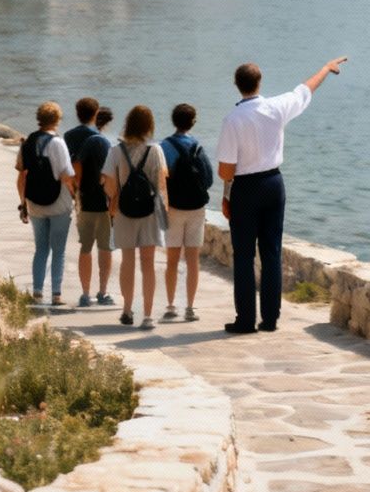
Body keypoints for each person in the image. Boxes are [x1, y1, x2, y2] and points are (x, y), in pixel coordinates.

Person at [217, 56, 347, 335]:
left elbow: (226, 170)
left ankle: (245, 320)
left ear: (236, 86)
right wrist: (325, 68)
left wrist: (226, 196)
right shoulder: (277, 107)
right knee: (272, 252)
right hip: (274, 184)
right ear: (259, 82)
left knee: (243, 255)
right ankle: (271, 318)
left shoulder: (232, 120)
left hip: (245, 189)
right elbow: (305, 89)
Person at [102, 105, 168, 329]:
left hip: (124, 211)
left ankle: (127, 310)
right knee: (148, 264)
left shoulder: (116, 150)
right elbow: (161, 183)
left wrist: (115, 199)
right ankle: (148, 315)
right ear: (149, 126)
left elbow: (109, 184)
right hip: (149, 213)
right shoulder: (156, 150)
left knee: (127, 262)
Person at [14, 101, 78, 306]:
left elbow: (21, 175)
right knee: (58, 250)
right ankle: (57, 294)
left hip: (34, 202)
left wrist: (23, 203)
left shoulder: (28, 142)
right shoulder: (58, 143)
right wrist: (74, 197)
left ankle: (37, 290)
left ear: (39, 119)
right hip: (57, 201)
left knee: (41, 248)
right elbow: (67, 175)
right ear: (57, 120)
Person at [159, 103, 214, 322]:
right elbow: (208, 179)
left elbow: (159, 179)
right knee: (193, 261)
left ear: (174, 121)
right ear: (193, 122)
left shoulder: (164, 146)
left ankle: (171, 305)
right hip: (196, 209)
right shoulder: (198, 147)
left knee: (172, 261)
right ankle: (190, 308)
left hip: (173, 208)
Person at [67, 99, 116, 308]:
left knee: (85, 247)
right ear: (95, 113)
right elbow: (109, 171)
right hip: (102, 202)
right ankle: (103, 292)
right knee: (105, 248)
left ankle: (85, 294)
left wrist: (75, 188)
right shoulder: (101, 141)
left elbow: (71, 165)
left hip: (82, 199)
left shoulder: (68, 136)